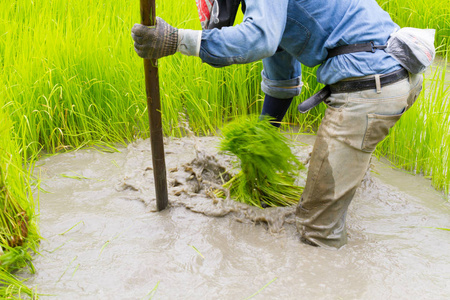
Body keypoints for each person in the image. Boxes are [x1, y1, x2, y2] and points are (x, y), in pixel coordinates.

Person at [131, 0, 424, 249]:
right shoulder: (274, 8)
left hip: (371, 88)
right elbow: (281, 78)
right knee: (337, 187)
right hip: (395, 77)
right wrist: (260, 140)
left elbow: (259, 40)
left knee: (317, 231)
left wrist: (177, 40)